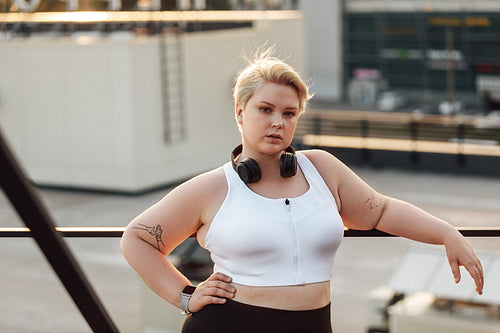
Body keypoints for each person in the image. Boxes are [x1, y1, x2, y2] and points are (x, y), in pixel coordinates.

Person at [120, 48, 484, 333]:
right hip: (228, 327)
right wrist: (186, 296)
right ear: (240, 111)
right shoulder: (211, 187)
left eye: (289, 113)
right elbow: (136, 239)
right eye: (265, 109)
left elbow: (381, 212)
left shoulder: (322, 168)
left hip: (313, 326)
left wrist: (446, 233)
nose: (278, 122)